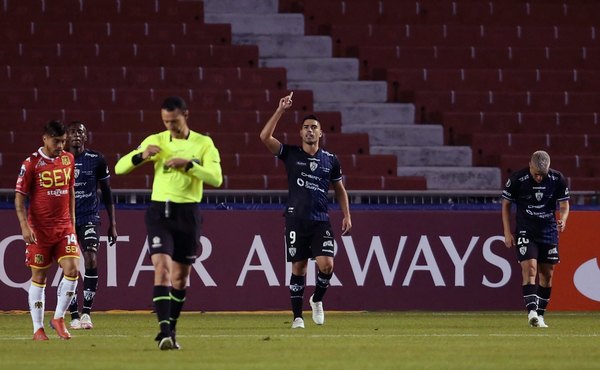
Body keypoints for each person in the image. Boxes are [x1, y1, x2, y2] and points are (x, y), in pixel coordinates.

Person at [115, 96, 223, 350]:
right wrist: (141, 156)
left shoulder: (203, 143)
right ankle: (164, 330)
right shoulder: (156, 140)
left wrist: (189, 166)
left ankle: (170, 329)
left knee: (180, 278)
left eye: (174, 121)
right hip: (159, 212)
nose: (170, 127)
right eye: (165, 121)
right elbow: (119, 168)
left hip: (188, 213)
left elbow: (216, 178)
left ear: (186, 114)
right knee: (161, 269)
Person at [259, 92, 352, 329]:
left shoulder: (331, 160)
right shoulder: (291, 154)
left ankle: (317, 299)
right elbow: (264, 137)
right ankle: (298, 317)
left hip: (321, 220)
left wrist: (347, 215)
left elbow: (339, 189)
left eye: (314, 127)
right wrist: (280, 110)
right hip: (295, 219)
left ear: (321, 133)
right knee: (299, 268)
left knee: (327, 265)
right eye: (306, 127)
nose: (310, 131)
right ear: (300, 133)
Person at [15, 120, 80, 340]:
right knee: (39, 277)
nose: (61, 145)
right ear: (45, 139)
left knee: (72, 270)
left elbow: (70, 191)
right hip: (40, 230)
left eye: (63, 141)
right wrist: (24, 226)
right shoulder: (31, 164)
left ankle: (59, 318)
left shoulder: (68, 159)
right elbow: (19, 198)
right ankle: (37, 329)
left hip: (64, 228)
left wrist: (72, 222)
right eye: (56, 141)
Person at [501, 150, 570, 328]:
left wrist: (563, 219)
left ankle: (539, 315)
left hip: (548, 231)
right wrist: (507, 232)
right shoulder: (517, 179)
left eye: (543, 175)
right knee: (530, 268)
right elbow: (506, 205)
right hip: (526, 230)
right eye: (536, 174)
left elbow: (564, 205)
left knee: (547, 275)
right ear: (530, 165)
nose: (539, 178)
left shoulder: (557, 179)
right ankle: (532, 311)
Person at [65, 121, 118, 330]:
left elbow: (106, 192)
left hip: (89, 217)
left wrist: (112, 223)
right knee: (69, 266)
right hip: (65, 221)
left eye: (80, 132)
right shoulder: (60, 160)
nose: (76, 135)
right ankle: (73, 315)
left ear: (85, 137)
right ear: (67, 137)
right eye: (72, 132)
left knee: (91, 258)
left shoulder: (97, 159)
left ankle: (86, 313)